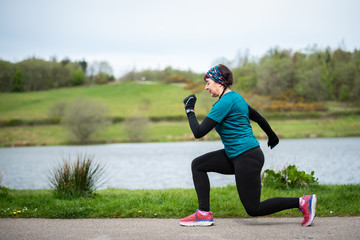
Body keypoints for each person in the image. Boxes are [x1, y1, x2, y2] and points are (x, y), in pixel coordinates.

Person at [180, 64, 317, 227]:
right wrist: (271, 135)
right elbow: (258, 117)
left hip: (246, 157)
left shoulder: (225, 103)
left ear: (219, 82)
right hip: (237, 155)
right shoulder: (236, 98)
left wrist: (189, 110)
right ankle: (203, 213)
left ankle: (302, 202)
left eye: (208, 83)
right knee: (198, 165)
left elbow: (199, 132)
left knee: (253, 208)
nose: (206, 87)